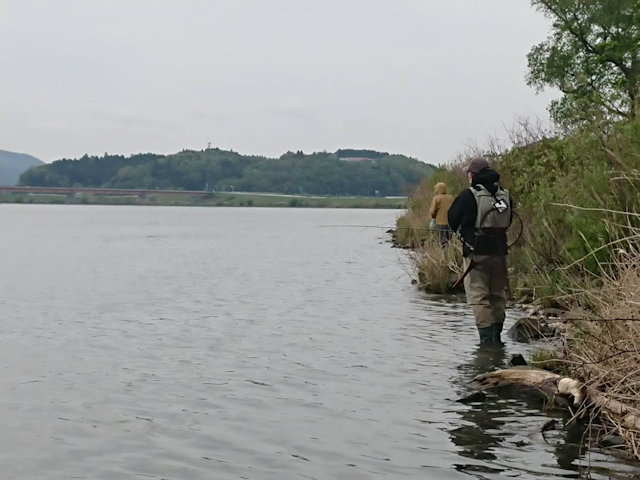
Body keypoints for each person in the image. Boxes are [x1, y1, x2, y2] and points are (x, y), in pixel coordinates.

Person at [447, 157, 512, 345]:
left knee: (478, 297)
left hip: (477, 254)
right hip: (501, 253)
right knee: (498, 295)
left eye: (468, 172)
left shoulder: (469, 195)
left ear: (472, 174)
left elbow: (452, 219)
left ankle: (487, 343)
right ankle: (497, 339)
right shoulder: (504, 195)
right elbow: (510, 219)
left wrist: (466, 234)